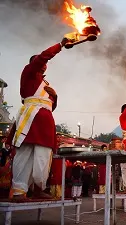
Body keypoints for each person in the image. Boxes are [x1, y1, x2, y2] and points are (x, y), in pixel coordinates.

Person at [6, 36, 75, 200]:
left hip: (45, 121)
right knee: (24, 155)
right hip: (30, 119)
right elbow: (44, 56)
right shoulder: (29, 72)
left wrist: (55, 97)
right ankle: (18, 191)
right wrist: (60, 45)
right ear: (35, 63)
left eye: (45, 64)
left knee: (43, 156)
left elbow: (50, 106)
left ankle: (38, 188)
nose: (45, 65)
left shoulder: (46, 84)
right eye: (41, 62)